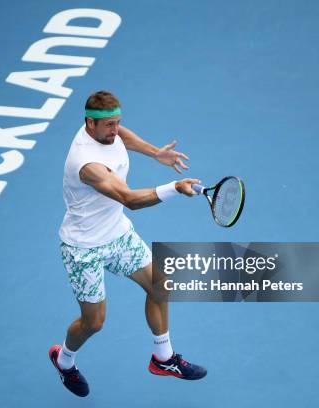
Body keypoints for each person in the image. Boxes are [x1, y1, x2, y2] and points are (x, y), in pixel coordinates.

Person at [49, 91, 207, 397]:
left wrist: (154, 152)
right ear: (89, 125)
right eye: (108, 125)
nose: (115, 130)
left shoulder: (108, 131)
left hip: (117, 234)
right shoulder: (87, 164)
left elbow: (124, 137)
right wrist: (173, 188)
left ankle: (163, 358)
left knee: (161, 285)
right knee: (93, 323)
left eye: (117, 122)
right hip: (84, 249)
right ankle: (64, 359)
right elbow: (130, 200)